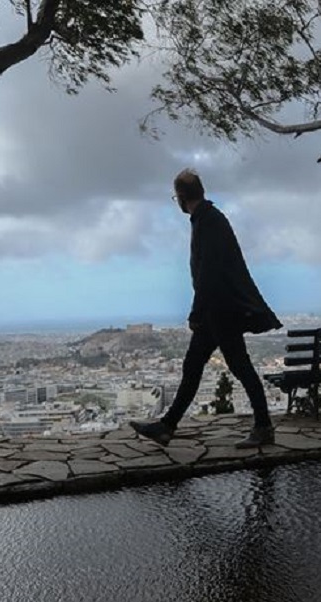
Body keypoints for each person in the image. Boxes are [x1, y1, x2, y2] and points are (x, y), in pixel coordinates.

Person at [130, 169, 282, 449]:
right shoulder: (208, 219)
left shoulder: (208, 222)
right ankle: (167, 426)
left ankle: (263, 427)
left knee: (239, 366)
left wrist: (196, 313)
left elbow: (208, 274)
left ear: (182, 197)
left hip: (220, 311)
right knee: (195, 366)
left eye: (176, 196)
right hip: (218, 310)